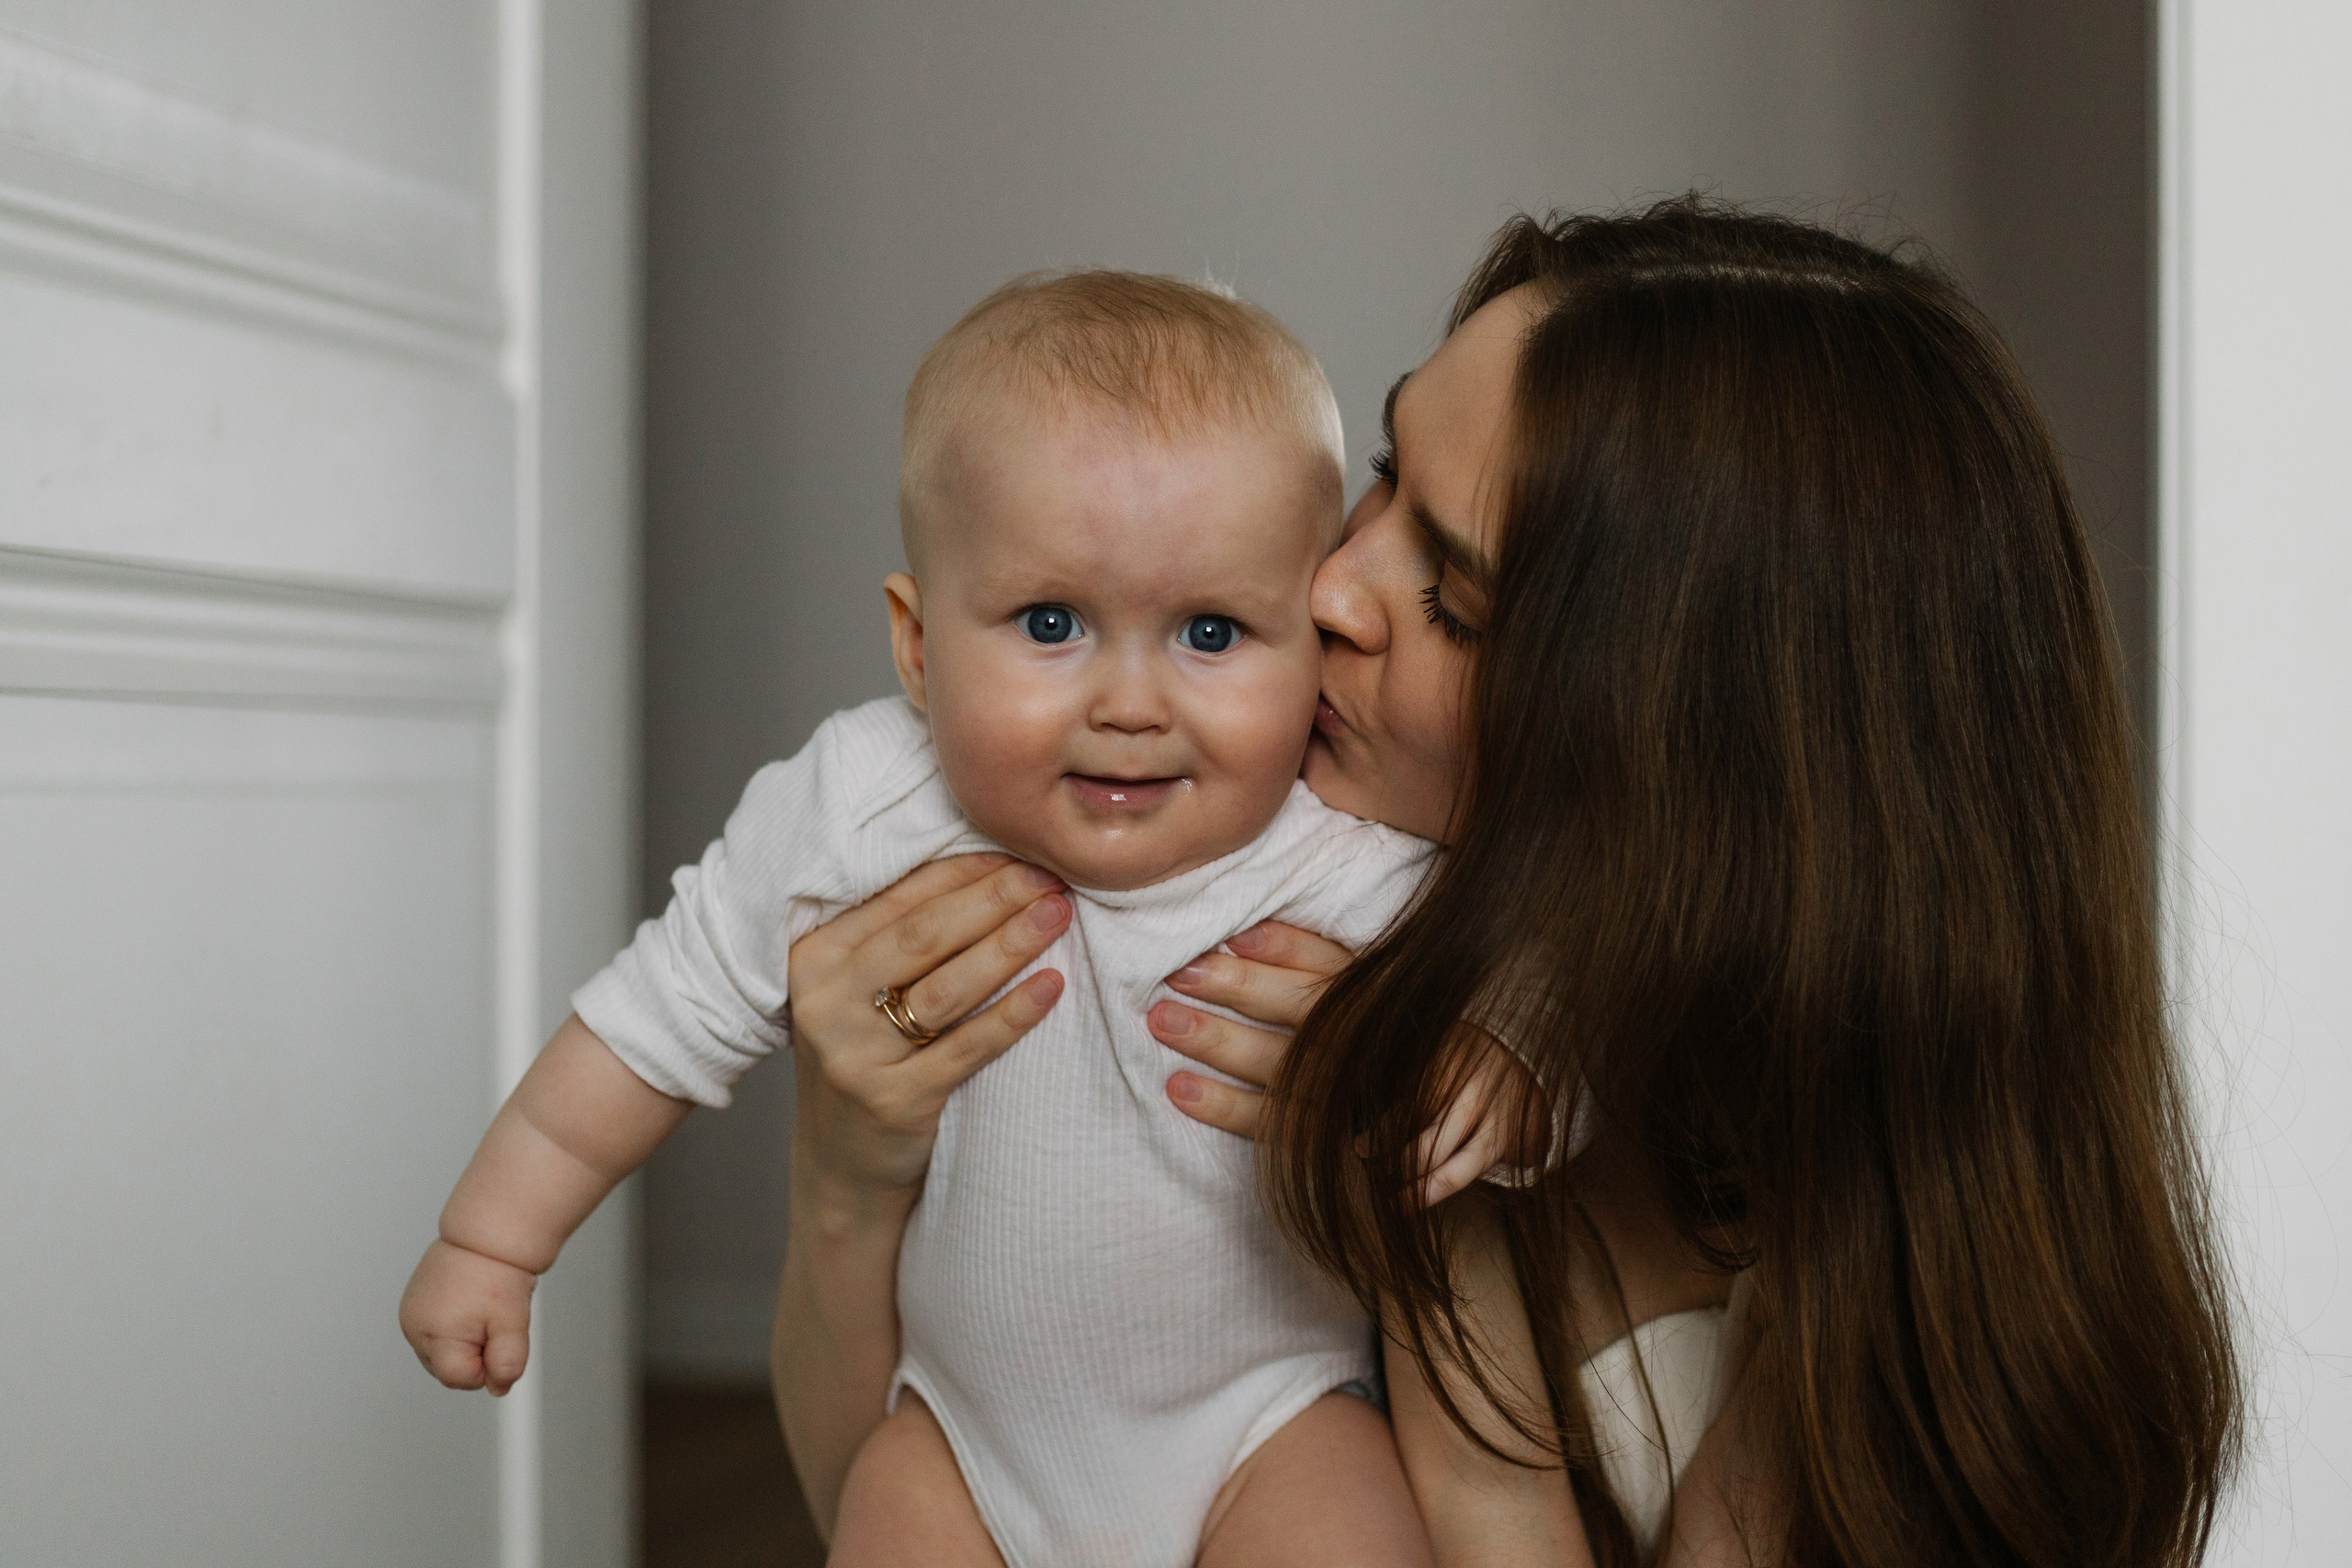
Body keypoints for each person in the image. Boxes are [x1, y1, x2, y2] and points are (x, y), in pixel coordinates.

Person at [774, 200, 2242, 1566]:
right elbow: (916, 1495)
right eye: (1388, 478)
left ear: (1688, 745)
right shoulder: (1180, 866)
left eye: (1456, 599)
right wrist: (849, 1176)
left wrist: (1423, 1222)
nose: (1328, 592)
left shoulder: (1824, 1270)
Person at [399, 270, 1548, 1567]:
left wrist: (1501, 1076)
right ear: (916, 643)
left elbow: (1546, 1016)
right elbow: (649, 1021)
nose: (1130, 700)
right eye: (1051, 623)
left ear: (1306, 637)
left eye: (1212, 632)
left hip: (1265, 1428)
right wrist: (492, 1237)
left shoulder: (1342, 856)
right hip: (961, 1437)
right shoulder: (861, 801)